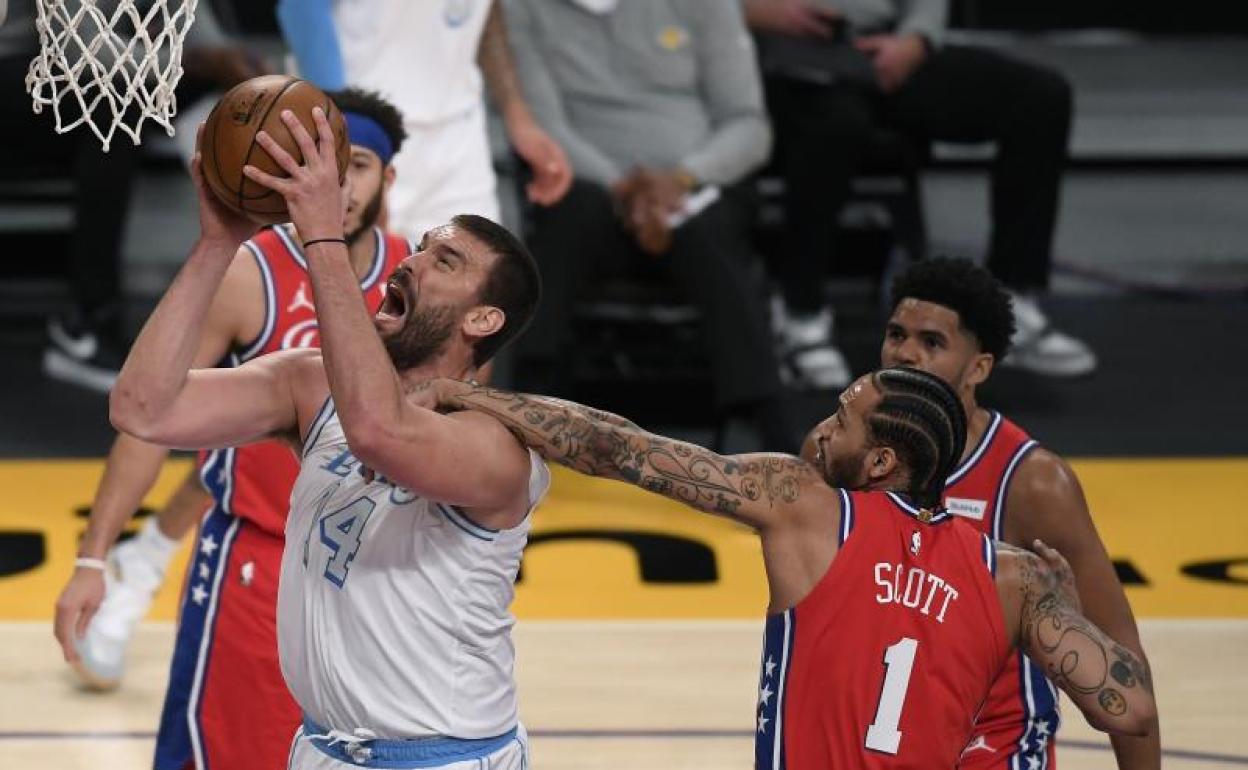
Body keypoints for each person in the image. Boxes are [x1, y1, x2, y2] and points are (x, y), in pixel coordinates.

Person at [411, 367, 1156, 768]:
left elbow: (621, 449)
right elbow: (1130, 708)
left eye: (841, 419)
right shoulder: (1012, 575)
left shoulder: (806, 506)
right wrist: (1066, 607)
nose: (820, 428)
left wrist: (476, 398)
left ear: (881, 461)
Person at [107, 106, 547, 769]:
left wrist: (320, 238)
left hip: (443, 759)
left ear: (484, 318)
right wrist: (217, 245)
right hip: (320, 748)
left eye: (445, 261)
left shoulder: (496, 445)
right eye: (424, 246)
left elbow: (378, 431)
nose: (417, 262)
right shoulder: (309, 385)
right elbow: (142, 408)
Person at [53, 89, 414, 770]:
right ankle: (141, 565)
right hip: (261, 568)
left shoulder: (420, 284)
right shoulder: (251, 274)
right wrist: (92, 559)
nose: (332, 183)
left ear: (387, 179)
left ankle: (150, 553)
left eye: (354, 164)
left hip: (380, 581)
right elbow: (146, 423)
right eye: (320, 163)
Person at [881, 257, 1159, 768]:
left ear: (979, 368)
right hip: (881, 740)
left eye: (932, 342)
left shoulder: (1033, 483)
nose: (906, 354)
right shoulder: (848, 455)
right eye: (897, 334)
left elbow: (1121, 654)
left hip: (993, 749)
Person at [744, 0, 1097, 381]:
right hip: (774, 52)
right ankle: (800, 314)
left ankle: (1009, 305)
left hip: (881, 48)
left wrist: (915, 41)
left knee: (1040, 96)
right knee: (835, 125)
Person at [503, 0, 796, 449]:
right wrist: (627, 189)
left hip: (693, 181)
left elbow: (748, 124)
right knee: (565, 214)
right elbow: (542, 124)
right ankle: (533, 405)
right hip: (588, 184)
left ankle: (758, 420)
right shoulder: (522, 8)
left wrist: (681, 179)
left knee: (707, 226)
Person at [276, 0, 572, 239]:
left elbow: (485, 12)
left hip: (459, 125)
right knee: (354, 293)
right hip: (368, 128)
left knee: (472, 289)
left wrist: (517, 115)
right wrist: (343, 133)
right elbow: (302, 7)